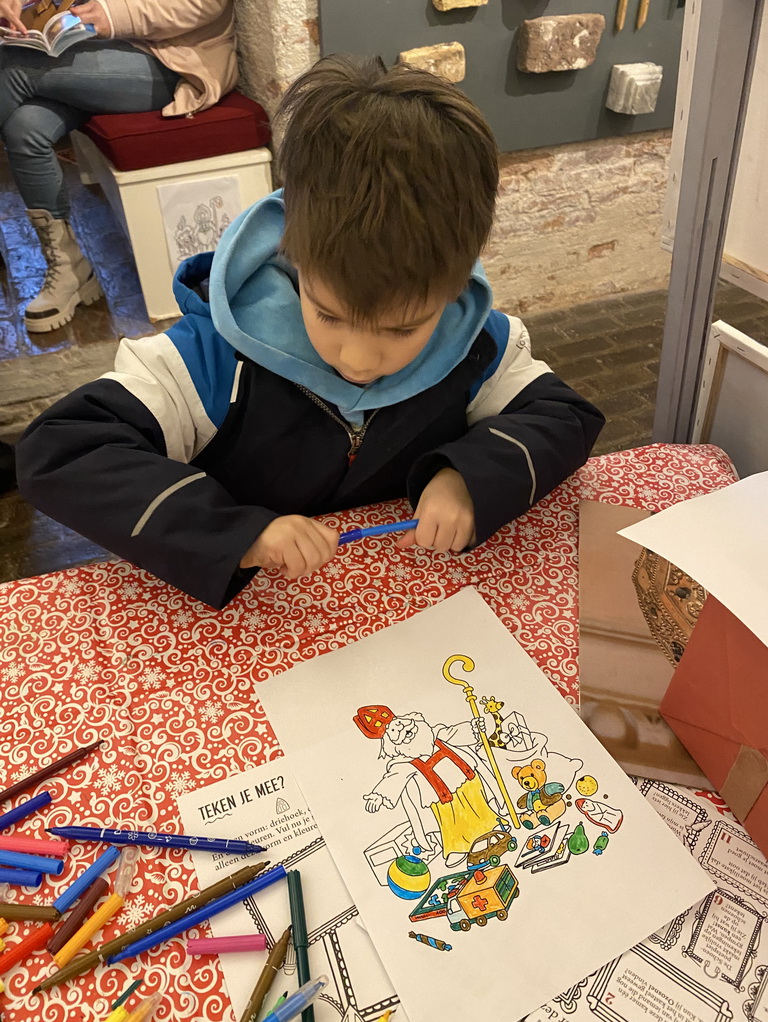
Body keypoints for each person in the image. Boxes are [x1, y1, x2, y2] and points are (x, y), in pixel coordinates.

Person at [16, 55, 605, 609]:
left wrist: (471, 477)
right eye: (328, 314)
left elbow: (563, 416)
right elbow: (62, 451)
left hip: (413, 616)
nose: (359, 360)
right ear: (293, 255)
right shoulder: (210, 359)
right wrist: (238, 532)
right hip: (254, 628)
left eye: (403, 328)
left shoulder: (474, 344)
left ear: (453, 292)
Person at [0, 0, 237, 332]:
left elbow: (205, 5)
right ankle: (68, 268)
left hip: (172, 60)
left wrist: (114, 15)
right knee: (24, 128)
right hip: (95, 52)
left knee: (9, 67)